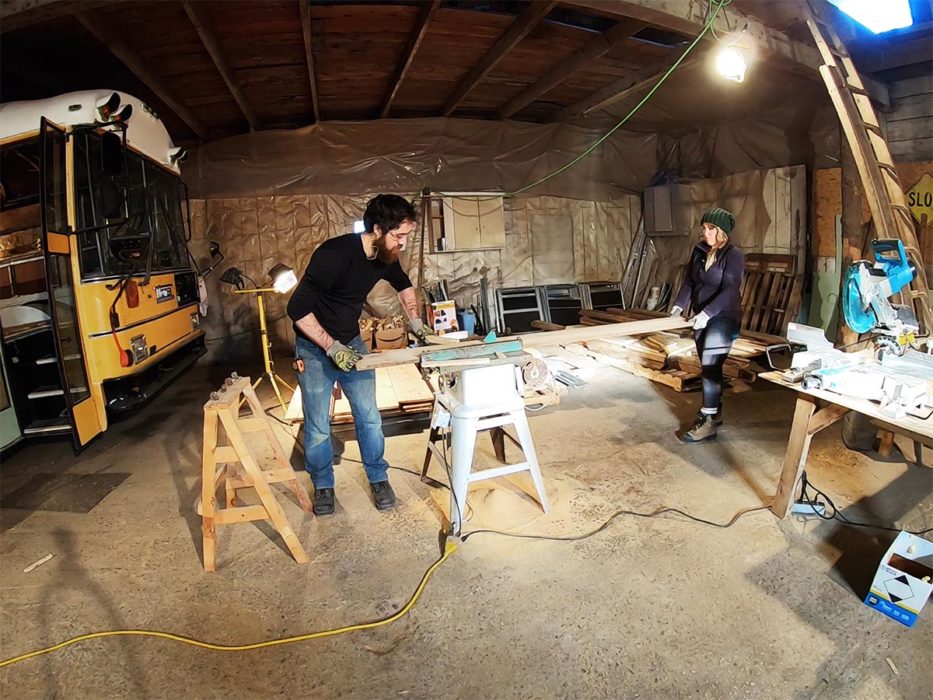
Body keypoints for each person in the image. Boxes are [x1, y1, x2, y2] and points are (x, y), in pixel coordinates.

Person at [286, 194, 433, 516]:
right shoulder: (333, 254)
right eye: (399, 235)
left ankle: (378, 478)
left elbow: (403, 283)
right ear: (378, 229)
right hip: (314, 348)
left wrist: (417, 321)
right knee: (318, 425)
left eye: (407, 236)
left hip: (351, 343)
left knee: (368, 417)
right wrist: (330, 347)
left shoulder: (386, 255)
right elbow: (296, 309)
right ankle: (323, 485)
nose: (403, 244)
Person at [670, 207, 745, 443]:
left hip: (724, 317)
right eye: (704, 228)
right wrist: (678, 306)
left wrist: (708, 313)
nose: (706, 233)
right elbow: (690, 282)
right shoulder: (700, 250)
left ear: (721, 231)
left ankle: (709, 421)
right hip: (701, 317)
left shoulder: (733, 255)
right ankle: (715, 408)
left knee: (711, 364)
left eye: (711, 228)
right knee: (708, 365)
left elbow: (730, 290)